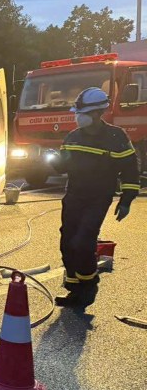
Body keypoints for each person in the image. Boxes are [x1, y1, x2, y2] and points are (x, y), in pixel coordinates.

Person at [51, 87, 139, 307]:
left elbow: (130, 169)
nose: (78, 117)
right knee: (67, 242)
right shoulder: (73, 136)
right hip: (74, 196)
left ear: (97, 113)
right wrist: (52, 160)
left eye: (83, 113)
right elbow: (62, 165)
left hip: (98, 198)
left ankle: (89, 286)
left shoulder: (115, 137)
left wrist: (126, 200)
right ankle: (74, 289)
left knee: (83, 242)